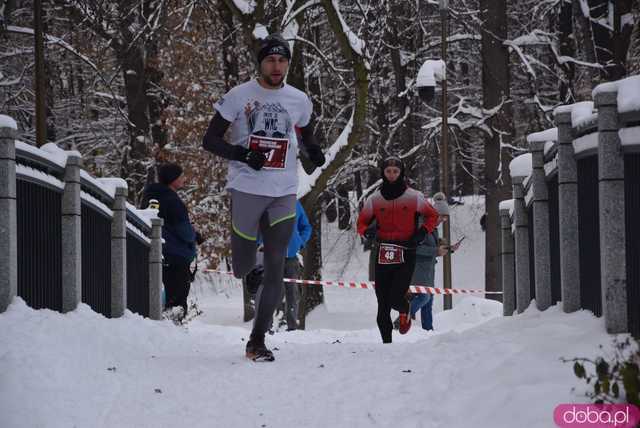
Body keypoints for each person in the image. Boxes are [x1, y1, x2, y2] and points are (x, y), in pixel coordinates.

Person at [202, 33, 325, 361]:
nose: (277, 66)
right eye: (271, 60)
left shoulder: (298, 99)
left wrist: (313, 148)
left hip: (284, 191)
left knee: (275, 267)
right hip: (246, 189)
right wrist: (242, 155)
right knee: (244, 267)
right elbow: (210, 140)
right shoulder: (238, 95)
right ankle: (247, 266)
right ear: (260, 63)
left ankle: (257, 342)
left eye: (282, 60)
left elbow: (305, 130)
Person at [357, 156, 439, 344]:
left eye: (396, 171)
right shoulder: (375, 199)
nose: (392, 175)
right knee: (382, 308)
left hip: (406, 252)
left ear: (401, 172)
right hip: (383, 253)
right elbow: (361, 223)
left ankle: (404, 308)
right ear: (383, 173)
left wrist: (422, 233)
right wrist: (367, 232)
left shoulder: (414, 196)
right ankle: (387, 345)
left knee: (395, 298)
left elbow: (432, 216)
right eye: (388, 171)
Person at [142, 163, 201, 320]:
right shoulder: (172, 200)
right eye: (180, 176)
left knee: (163, 295)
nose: (183, 179)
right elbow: (184, 231)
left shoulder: (150, 196)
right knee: (177, 300)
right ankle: (174, 329)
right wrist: (194, 235)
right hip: (176, 255)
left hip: (156, 251)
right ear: (172, 179)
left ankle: (165, 326)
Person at [396, 192, 461, 331]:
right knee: (424, 297)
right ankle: (400, 320)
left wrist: (449, 249)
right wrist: (436, 251)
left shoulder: (433, 229)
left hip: (428, 271)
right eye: (442, 217)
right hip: (418, 270)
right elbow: (415, 248)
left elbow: (432, 247)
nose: (443, 220)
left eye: (445, 218)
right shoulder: (422, 227)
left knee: (428, 302)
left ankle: (427, 330)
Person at [281, 200, 312, 330]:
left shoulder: (295, 204)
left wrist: (300, 242)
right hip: (271, 256)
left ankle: (292, 327)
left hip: (291, 256)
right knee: (270, 291)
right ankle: (267, 326)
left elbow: (306, 227)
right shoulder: (268, 200)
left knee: (292, 292)